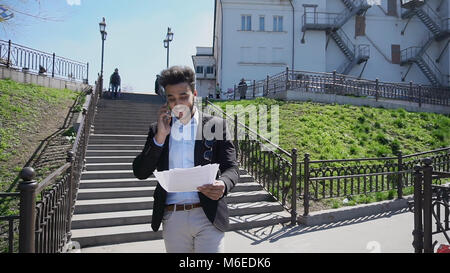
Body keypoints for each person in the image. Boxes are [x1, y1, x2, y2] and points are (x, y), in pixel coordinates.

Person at [133, 66, 239, 253]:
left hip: (208, 214)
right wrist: (160, 138)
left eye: (183, 96)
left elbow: (232, 168)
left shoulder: (216, 126)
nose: (178, 103)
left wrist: (223, 184)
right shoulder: (157, 129)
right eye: (171, 98)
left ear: (194, 94)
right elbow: (140, 172)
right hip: (172, 216)